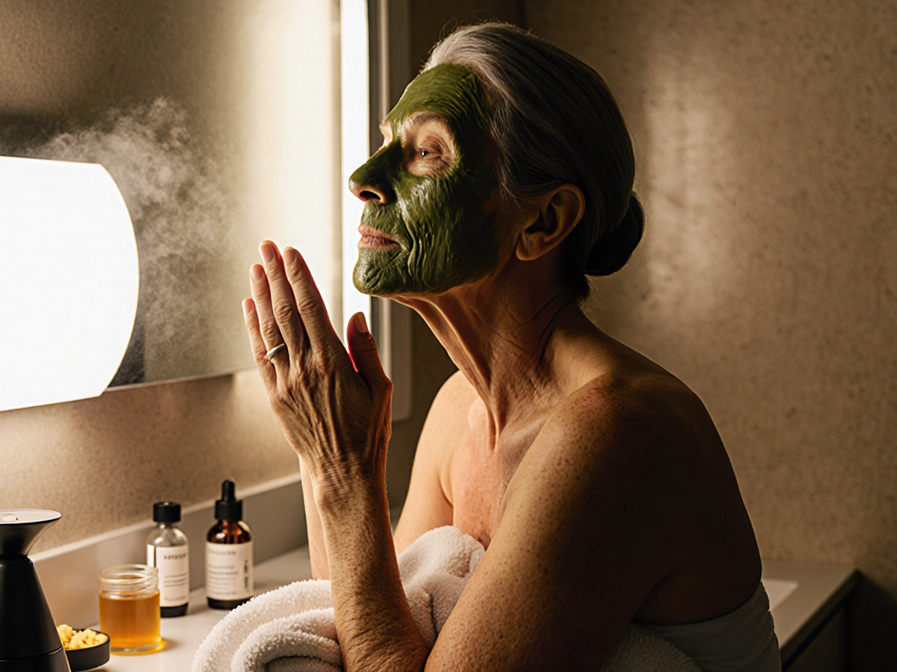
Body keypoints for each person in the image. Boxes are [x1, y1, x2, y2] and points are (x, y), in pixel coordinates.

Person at [242, 21, 780, 672]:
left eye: (427, 153)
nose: (364, 178)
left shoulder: (615, 432)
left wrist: (342, 468)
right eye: (389, 143)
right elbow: (365, 623)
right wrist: (317, 440)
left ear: (543, 221)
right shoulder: (456, 408)